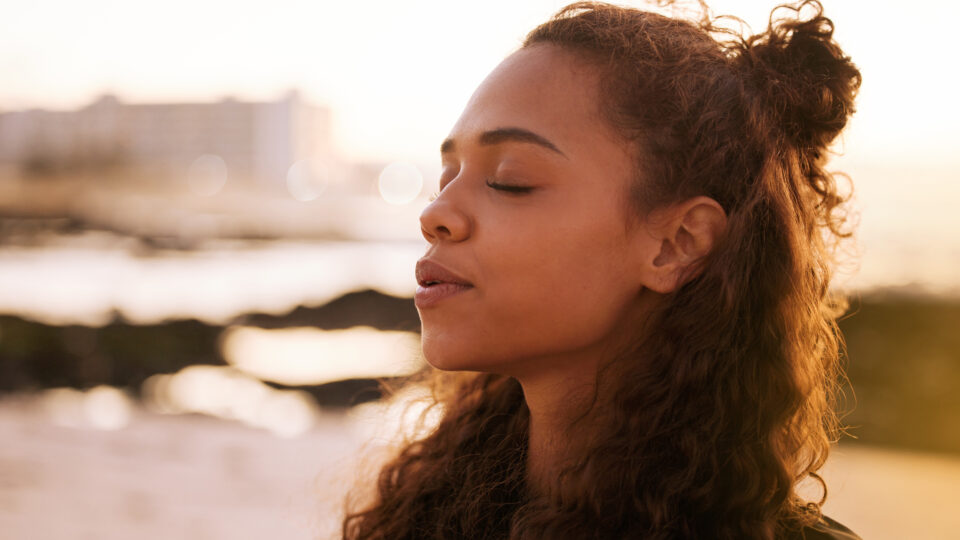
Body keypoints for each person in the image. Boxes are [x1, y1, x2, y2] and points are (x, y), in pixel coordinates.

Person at [343, 1, 862, 538]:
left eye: (509, 179)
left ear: (677, 245)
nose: (434, 215)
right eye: (447, 177)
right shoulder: (427, 515)